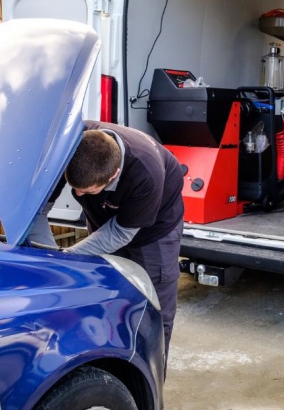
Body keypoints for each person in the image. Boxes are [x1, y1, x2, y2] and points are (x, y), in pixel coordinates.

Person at [36, 120, 184, 369]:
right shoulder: (71, 141)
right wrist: (47, 256)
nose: (79, 196)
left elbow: (120, 234)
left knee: (155, 309)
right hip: (104, 219)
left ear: (113, 175)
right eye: (75, 190)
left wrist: (67, 257)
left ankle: (150, 383)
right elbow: (39, 207)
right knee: (103, 295)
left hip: (153, 231)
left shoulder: (146, 171)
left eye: (88, 191)